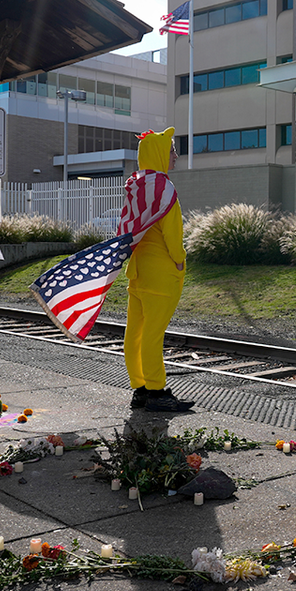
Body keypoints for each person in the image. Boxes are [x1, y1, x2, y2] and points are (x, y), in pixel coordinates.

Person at [120, 127, 193, 412]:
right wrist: (179, 260)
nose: (175, 156)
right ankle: (157, 391)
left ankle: (139, 388)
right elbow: (173, 234)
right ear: (160, 154)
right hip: (162, 274)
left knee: (134, 334)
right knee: (153, 335)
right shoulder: (165, 188)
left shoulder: (135, 185)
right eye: (172, 150)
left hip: (138, 272)